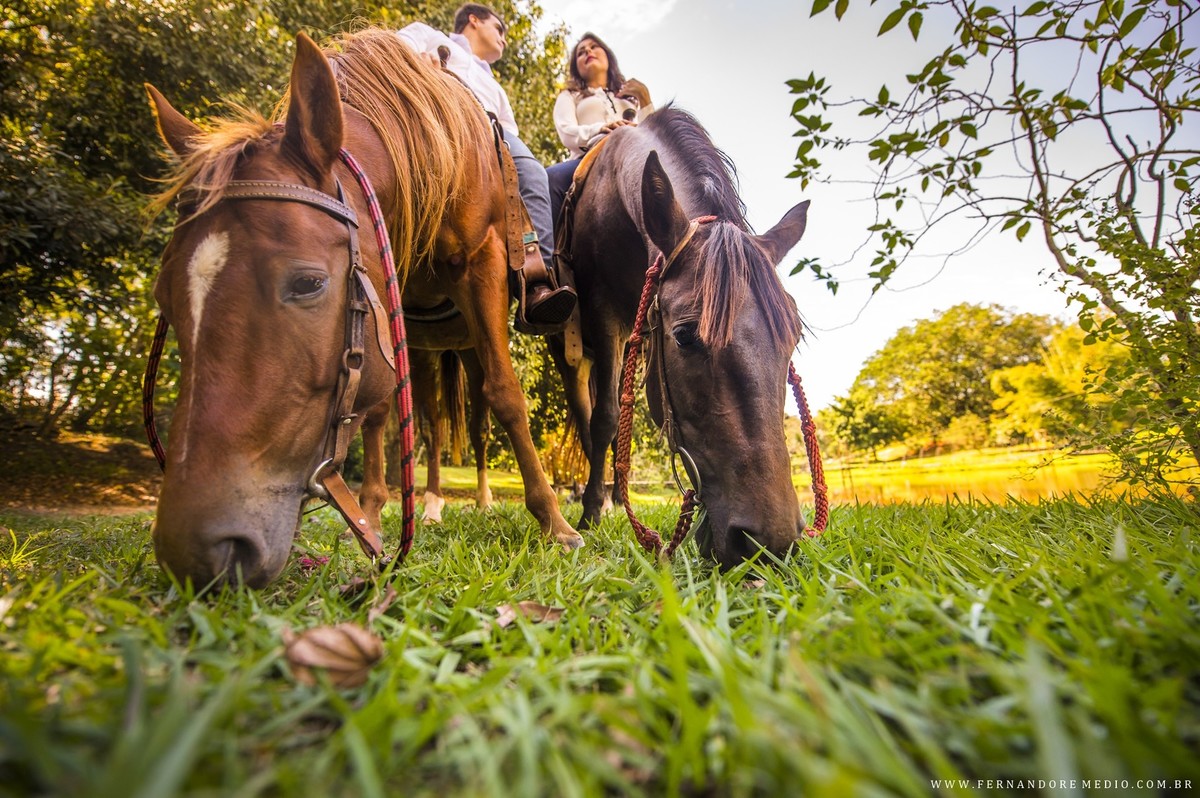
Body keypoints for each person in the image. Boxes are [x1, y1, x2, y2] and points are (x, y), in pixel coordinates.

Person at [396, 3, 577, 330]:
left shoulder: (493, 85)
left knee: (532, 173)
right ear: (474, 20)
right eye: (499, 29)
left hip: (489, 133)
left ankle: (535, 282)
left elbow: (511, 129)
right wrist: (414, 62)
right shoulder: (428, 35)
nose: (503, 39)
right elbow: (396, 47)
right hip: (433, 119)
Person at [547, 32, 654, 230]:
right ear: (576, 67)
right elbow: (566, 132)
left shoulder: (630, 98)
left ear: (607, 55)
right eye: (581, 52)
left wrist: (646, 101)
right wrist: (600, 129)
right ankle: (549, 255)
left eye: (594, 47)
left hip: (632, 158)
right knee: (551, 178)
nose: (588, 51)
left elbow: (655, 139)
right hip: (589, 158)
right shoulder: (571, 95)